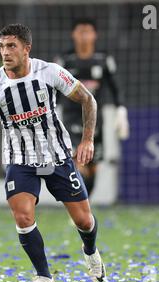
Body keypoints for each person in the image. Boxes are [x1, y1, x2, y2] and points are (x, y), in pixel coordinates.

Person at [0, 24, 106, 282]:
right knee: (22, 217)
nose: (5, 52)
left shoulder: (50, 72)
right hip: (20, 162)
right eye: (2, 46)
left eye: (11, 46)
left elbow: (88, 99)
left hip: (57, 157)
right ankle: (44, 276)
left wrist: (88, 139)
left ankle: (90, 251)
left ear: (26, 48)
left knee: (84, 221)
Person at [56, 18, 129, 196]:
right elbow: (53, 87)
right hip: (71, 118)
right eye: (80, 31)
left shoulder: (104, 60)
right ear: (73, 35)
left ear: (95, 35)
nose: (84, 36)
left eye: (88, 31)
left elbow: (115, 86)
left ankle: (83, 203)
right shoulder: (65, 60)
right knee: (77, 162)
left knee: (93, 167)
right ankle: (77, 204)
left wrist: (121, 110)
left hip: (96, 120)